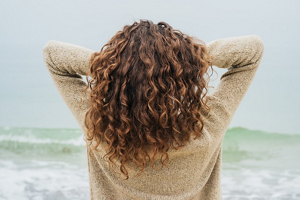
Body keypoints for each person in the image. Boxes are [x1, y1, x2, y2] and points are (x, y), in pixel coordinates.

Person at [43, 19, 264, 200]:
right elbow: (252, 50)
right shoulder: (205, 132)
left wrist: (114, 65)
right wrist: (185, 59)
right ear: (177, 80)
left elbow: (53, 55)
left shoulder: (102, 131)